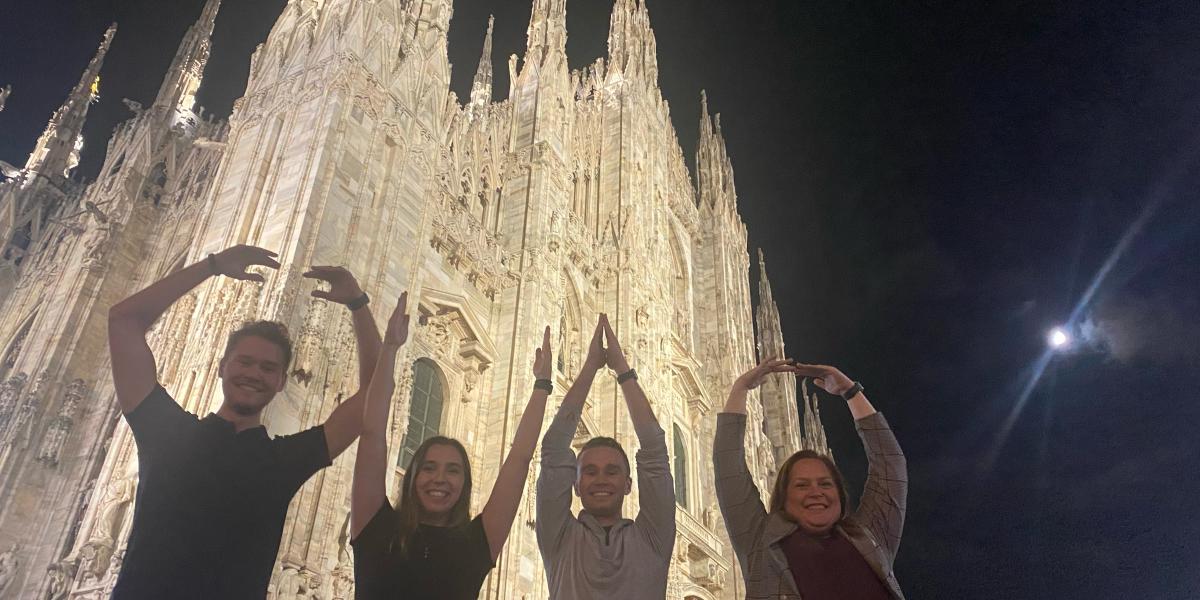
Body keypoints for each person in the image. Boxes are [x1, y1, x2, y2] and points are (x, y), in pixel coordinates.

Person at [106, 246, 381, 599]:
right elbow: (122, 321)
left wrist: (358, 304)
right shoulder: (166, 432)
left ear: (282, 381)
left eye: (268, 368)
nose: (254, 374)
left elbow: (374, 393)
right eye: (244, 362)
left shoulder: (283, 461)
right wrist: (212, 265)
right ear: (222, 367)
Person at [349, 293, 553, 600]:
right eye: (429, 468)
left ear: (465, 484)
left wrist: (542, 385)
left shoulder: (475, 545)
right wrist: (389, 348)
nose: (440, 479)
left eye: (453, 470)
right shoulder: (376, 529)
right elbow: (372, 434)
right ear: (413, 477)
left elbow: (519, 459)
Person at [713, 358, 908, 599]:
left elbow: (891, 467)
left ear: (839, 494)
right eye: (801, 485)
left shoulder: (869, 538)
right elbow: (728, 470)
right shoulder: (761, 545)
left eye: (825, 483)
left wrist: (851, 391)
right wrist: (740, 388)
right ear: (784, 498)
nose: (816, 491)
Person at [536, 314, 676, 600]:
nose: (600, 479)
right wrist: (590, 367)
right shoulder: (559, 537)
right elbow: (553, 448)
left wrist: (623, 370)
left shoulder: (652, 538)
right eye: (589, 471)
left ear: (628, 484)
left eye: (612, 471)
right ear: (575, 484)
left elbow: (655, 450)